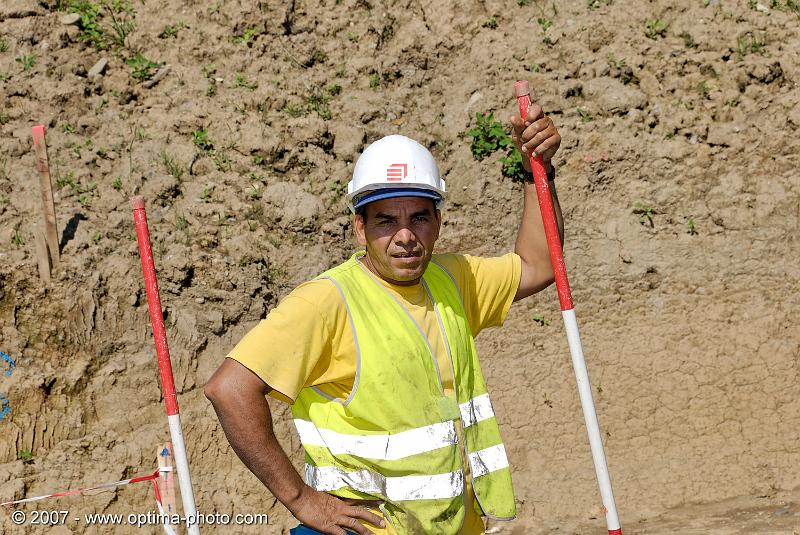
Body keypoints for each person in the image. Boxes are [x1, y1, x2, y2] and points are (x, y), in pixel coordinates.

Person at [204, 94, 564, 535]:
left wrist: (535, 171)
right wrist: (300, 499)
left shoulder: (453, 280)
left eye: (419, 217)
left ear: (438, 221)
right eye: (385, 221)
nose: (406, 236)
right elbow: (230, 388)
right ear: (360, 227)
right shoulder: (327, 302)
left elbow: (539, 266)